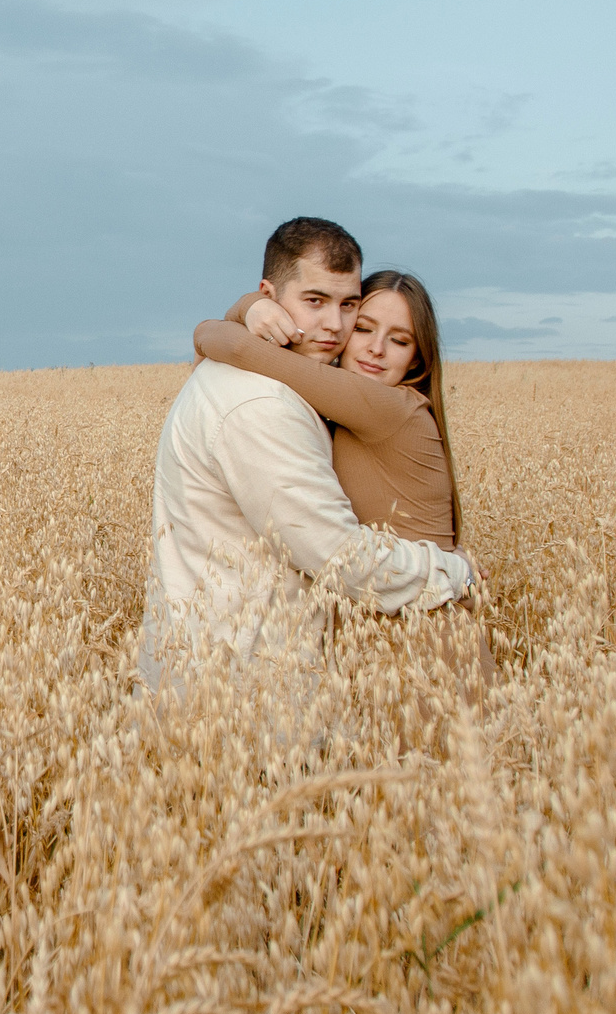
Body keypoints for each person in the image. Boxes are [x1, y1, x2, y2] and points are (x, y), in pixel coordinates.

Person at [137, 218, 476, 692]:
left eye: (348, 306)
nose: (336, 327)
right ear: (273, 295)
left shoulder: (374, 401)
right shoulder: (264, 404)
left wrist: (242, 313)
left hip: (417, 646)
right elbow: (338, 555)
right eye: (315, 301)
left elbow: (224, 342)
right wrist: (453, 571)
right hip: (241, 683)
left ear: (418, 356)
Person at [193, 269, 461, 551]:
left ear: (417, 359)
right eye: (363, 328)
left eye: (400, 340)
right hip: (398, 586)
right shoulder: (346, 407)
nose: (377, 348)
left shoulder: (393, 408)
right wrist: (253, 306)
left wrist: (245, 310)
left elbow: (237, 347)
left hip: (428, 589)